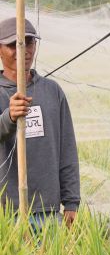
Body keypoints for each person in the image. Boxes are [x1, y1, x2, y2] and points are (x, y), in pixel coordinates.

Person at [0, 17, 80, 228]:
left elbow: (67, 148)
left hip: (49, 212)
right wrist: (8, 118)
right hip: (6, 212)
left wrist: (71, 201)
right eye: (13, 44)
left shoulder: (51, 91)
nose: (23, 49)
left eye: (29, 42)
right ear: (0, 49)